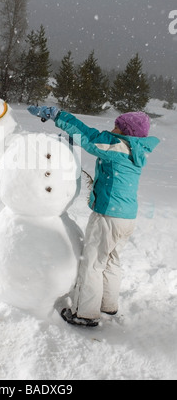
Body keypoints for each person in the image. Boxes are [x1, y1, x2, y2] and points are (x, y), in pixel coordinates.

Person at [28, 106, 160, 327]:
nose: (112, 127)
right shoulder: (135, 149)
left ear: (126, 131)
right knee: (111, 261)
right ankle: (108, 304)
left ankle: (85, 313)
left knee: (93, 263)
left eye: (117, 125)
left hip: (109, 215)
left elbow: (89, 137)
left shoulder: (117, 145)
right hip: (126, 217)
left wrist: (58, 116)